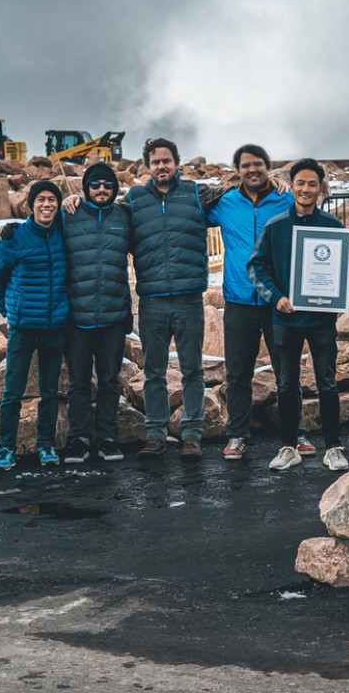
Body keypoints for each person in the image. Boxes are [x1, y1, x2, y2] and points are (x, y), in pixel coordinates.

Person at [113, 138, 234, 462]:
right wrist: (70, 200)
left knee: (193, 369)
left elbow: (238, 191)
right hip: (151, 300)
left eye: (167, 160)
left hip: (188, 299)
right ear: (148, 167)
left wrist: (273, 182)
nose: (161, 166)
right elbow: (103, 215)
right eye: (155, 162)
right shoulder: (135, 199)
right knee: (154, 370)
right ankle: (155, 434)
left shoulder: (196, 193)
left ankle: (191, 434)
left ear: (176, 163)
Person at [249, 158, 349, 472]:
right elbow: (257, 267)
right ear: (292, 186)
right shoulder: (276, 226)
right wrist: (276, 297)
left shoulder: (333, 227)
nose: (306, 189)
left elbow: (344, 268)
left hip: (321, 320)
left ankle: (333, 447)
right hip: (287, 318)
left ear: (321, 189)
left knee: (328, 383)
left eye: (312, 184)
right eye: (300, 183)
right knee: (287, 384)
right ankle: (289, 446)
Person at [208, 144, 292, 461]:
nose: (252, 169)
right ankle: (237, 435)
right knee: (238, 373)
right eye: (245, 165)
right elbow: (189, 214)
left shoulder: (287, 198)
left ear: (268, 167)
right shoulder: (225, 203)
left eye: (258, 164)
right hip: (239, 301)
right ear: (237, 170)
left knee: (287, 372)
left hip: (277, 300)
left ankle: (294, 433)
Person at [0, 180, 70, 470]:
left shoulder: (63, 233)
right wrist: (7, 308)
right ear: (31, 204)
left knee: (50, 391)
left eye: (52, 200)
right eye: (41, 199)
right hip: (22, 327)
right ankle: (5, 448)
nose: (47, 204)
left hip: (55, 327)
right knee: (13, 392)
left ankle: (46, 445)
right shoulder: (15, 237)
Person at [60, 162, 132, 463]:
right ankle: (77, 439)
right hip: (77, 317)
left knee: (108, 381)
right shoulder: (70, 215)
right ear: (85, 188)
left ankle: (106, 438)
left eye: (107, 184)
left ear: (114, 188)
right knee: (78, 383)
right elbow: (40, 229)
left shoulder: (125, 216)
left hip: (113, 316)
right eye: (95, 185)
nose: (101, 189)